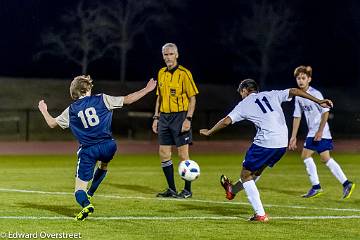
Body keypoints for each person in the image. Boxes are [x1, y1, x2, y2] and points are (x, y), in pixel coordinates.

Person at [199, 78, 333, 222]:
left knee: (245, 174)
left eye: (241, 92)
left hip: (266, 142)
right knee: (255, 172)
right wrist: (318, 101)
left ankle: (260, 214)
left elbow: (226, 121)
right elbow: (294, 91)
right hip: (282, 143)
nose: (241, 95)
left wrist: (210, 132)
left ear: (245, 90)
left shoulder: (244, 103)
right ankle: (232, 190)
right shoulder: (271, 94)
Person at [38, 75, 156, 221]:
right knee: (103, 164)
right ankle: (91, 192)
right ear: (86, 88)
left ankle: (86, 204)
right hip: (109, 146)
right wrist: (147, 89)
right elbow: (128, 99)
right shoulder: (102, 99)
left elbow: (52, 123)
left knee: (78, 190)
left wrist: (43, 109)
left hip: (88, 151)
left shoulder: (71, 110)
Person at [288, 65, 355, 199]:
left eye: (303, 78)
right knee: (325, 159)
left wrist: (320, 131)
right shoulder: (298, 96)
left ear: (309, 79)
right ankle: (346, 183)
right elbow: (297, 116)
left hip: (319, 132)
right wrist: (293, 136)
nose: (300, 81)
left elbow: (325, 113)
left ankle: (316, 187)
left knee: (306, 156)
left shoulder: (316, 93)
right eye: (298, 78)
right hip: (315, 132)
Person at [152, 43, 199, 199]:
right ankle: (172, 189)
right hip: (164, 117)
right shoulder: (161, 73)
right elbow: (159, 97)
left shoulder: (184, 74)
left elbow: (192, 99)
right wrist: (156, 117)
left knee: (183, 155)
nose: (168, 57)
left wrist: (188, 119)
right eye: (165, 54)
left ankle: (187, 190)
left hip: (180, 117)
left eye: (171, 54)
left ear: (177, 55)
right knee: (164, 153)